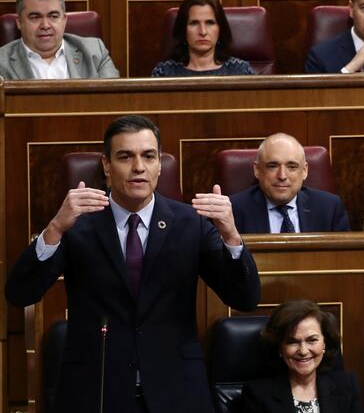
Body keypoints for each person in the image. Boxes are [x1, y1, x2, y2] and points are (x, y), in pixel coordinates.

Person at [5, 115, 261, 413]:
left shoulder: (190, 224)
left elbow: (245, 298)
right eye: (126, 156)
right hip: (95, 392)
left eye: (148, 156)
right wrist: (55, 229)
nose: (138, 167)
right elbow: (20, 293)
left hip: (176, 392)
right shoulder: (78, 225)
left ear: (159, 165)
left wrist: (230, 234)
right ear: (106, 165)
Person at [241, 299, 364, 413]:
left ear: (325, 342)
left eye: (312, 340)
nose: (303, 351)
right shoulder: (258, 394)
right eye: (292, 342)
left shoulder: (346, 386)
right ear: (280, 347)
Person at [231, 133, 350, 233]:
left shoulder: (330, 208)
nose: (282, 176)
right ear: (257, 170)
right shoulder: (234, 210)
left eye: (292, 167)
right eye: (272, 166)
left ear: (304, 171)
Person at [0, 0, 119, 80]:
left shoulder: (95, 52)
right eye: (35, 17)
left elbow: (113, 97)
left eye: (53, 16)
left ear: (64, 20)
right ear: (19, 22)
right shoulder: (2, 63)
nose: (45, 25)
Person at [151, 0, 254, 77]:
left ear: (220, 28)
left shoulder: (241, 71)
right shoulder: (164, 73)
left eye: (210, 23)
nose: (203, 32)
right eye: (194, 23)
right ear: (183, 29)